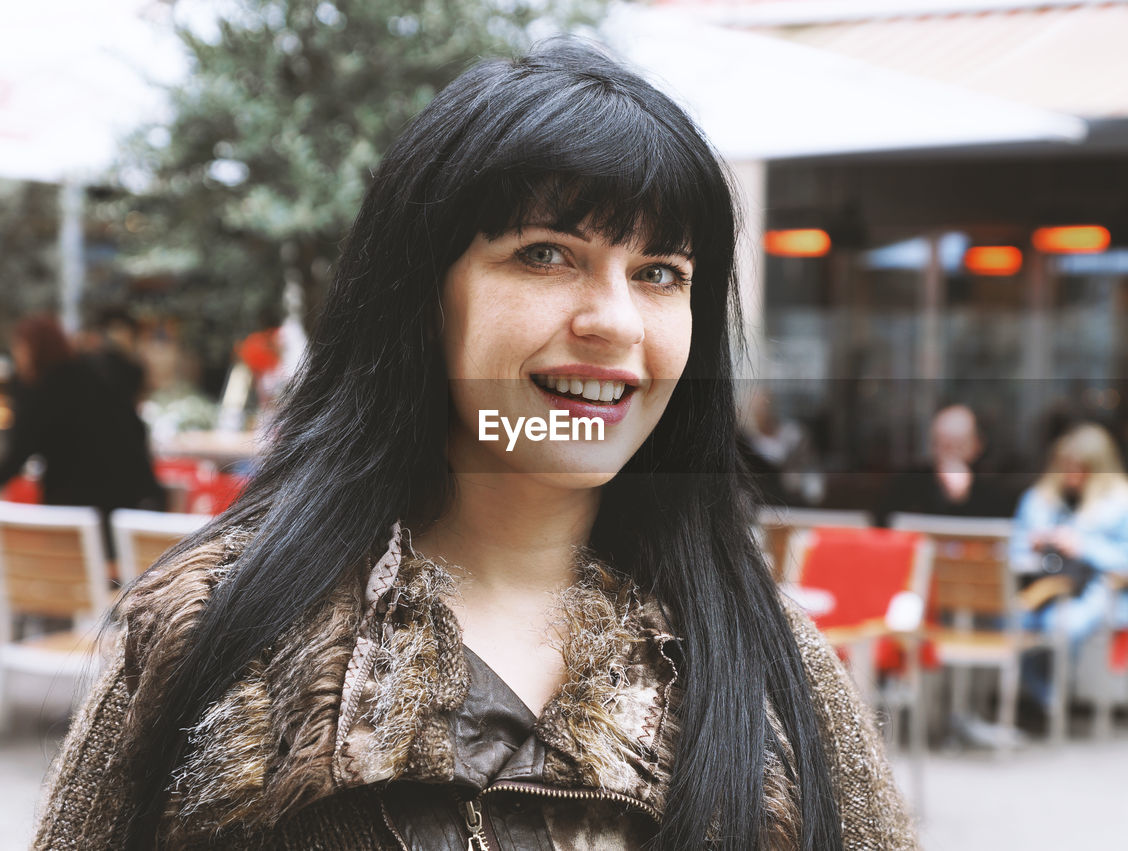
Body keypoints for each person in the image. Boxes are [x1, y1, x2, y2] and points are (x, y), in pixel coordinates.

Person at [36, 43, 917, 850]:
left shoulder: (769, 658)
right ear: (423, 298)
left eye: (660, 273)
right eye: (545, 254)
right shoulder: (212, 627)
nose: (613, 321)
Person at [1010, 422, 1128, 706]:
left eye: (1080, 467)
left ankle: (1051, 702)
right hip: (1040, 587)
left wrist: (1083, 547)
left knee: (1061, 623)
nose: (1071, 474)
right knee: (1009, 622)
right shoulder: (1039, 499)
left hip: (1098, 590)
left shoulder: (1124, 503)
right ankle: (1041, 700)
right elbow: (1013, 550)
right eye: (1066, 465)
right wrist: (1035, 545)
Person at [0, 315, 162, 519]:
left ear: (33, 349)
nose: (17, 357)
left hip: (78, 504)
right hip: (130, 495)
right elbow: (135, 427)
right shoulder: (94, 372)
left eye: (19, 348)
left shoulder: (42, 390)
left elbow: (19, 452)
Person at [876, 403, 1013, 526]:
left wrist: (962, 498)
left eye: (958, 446)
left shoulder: (993, 490)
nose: (948, 454)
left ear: (977, 446)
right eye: (941, 444)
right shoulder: (909, 482)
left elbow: (997, 533)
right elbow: (885, 523)